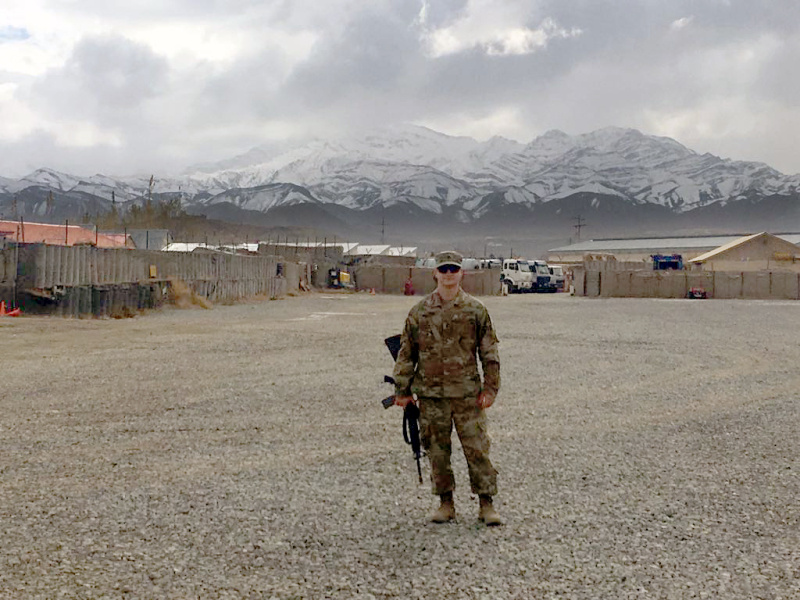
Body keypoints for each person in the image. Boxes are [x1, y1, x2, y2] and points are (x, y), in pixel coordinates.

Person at [393, 250, 502, 525]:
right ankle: (446, 503)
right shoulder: (419, 312)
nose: (449, 274)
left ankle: (486, 504)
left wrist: (490, 389)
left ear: (462, 273)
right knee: (437, 451)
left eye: (454, 269)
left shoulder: (476, 310)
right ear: (435, 274)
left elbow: (489, 352)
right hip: (432, 396)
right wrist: (402, 391)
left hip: (467, 395)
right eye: (444, 269)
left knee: (477, 449)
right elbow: (406, 353)